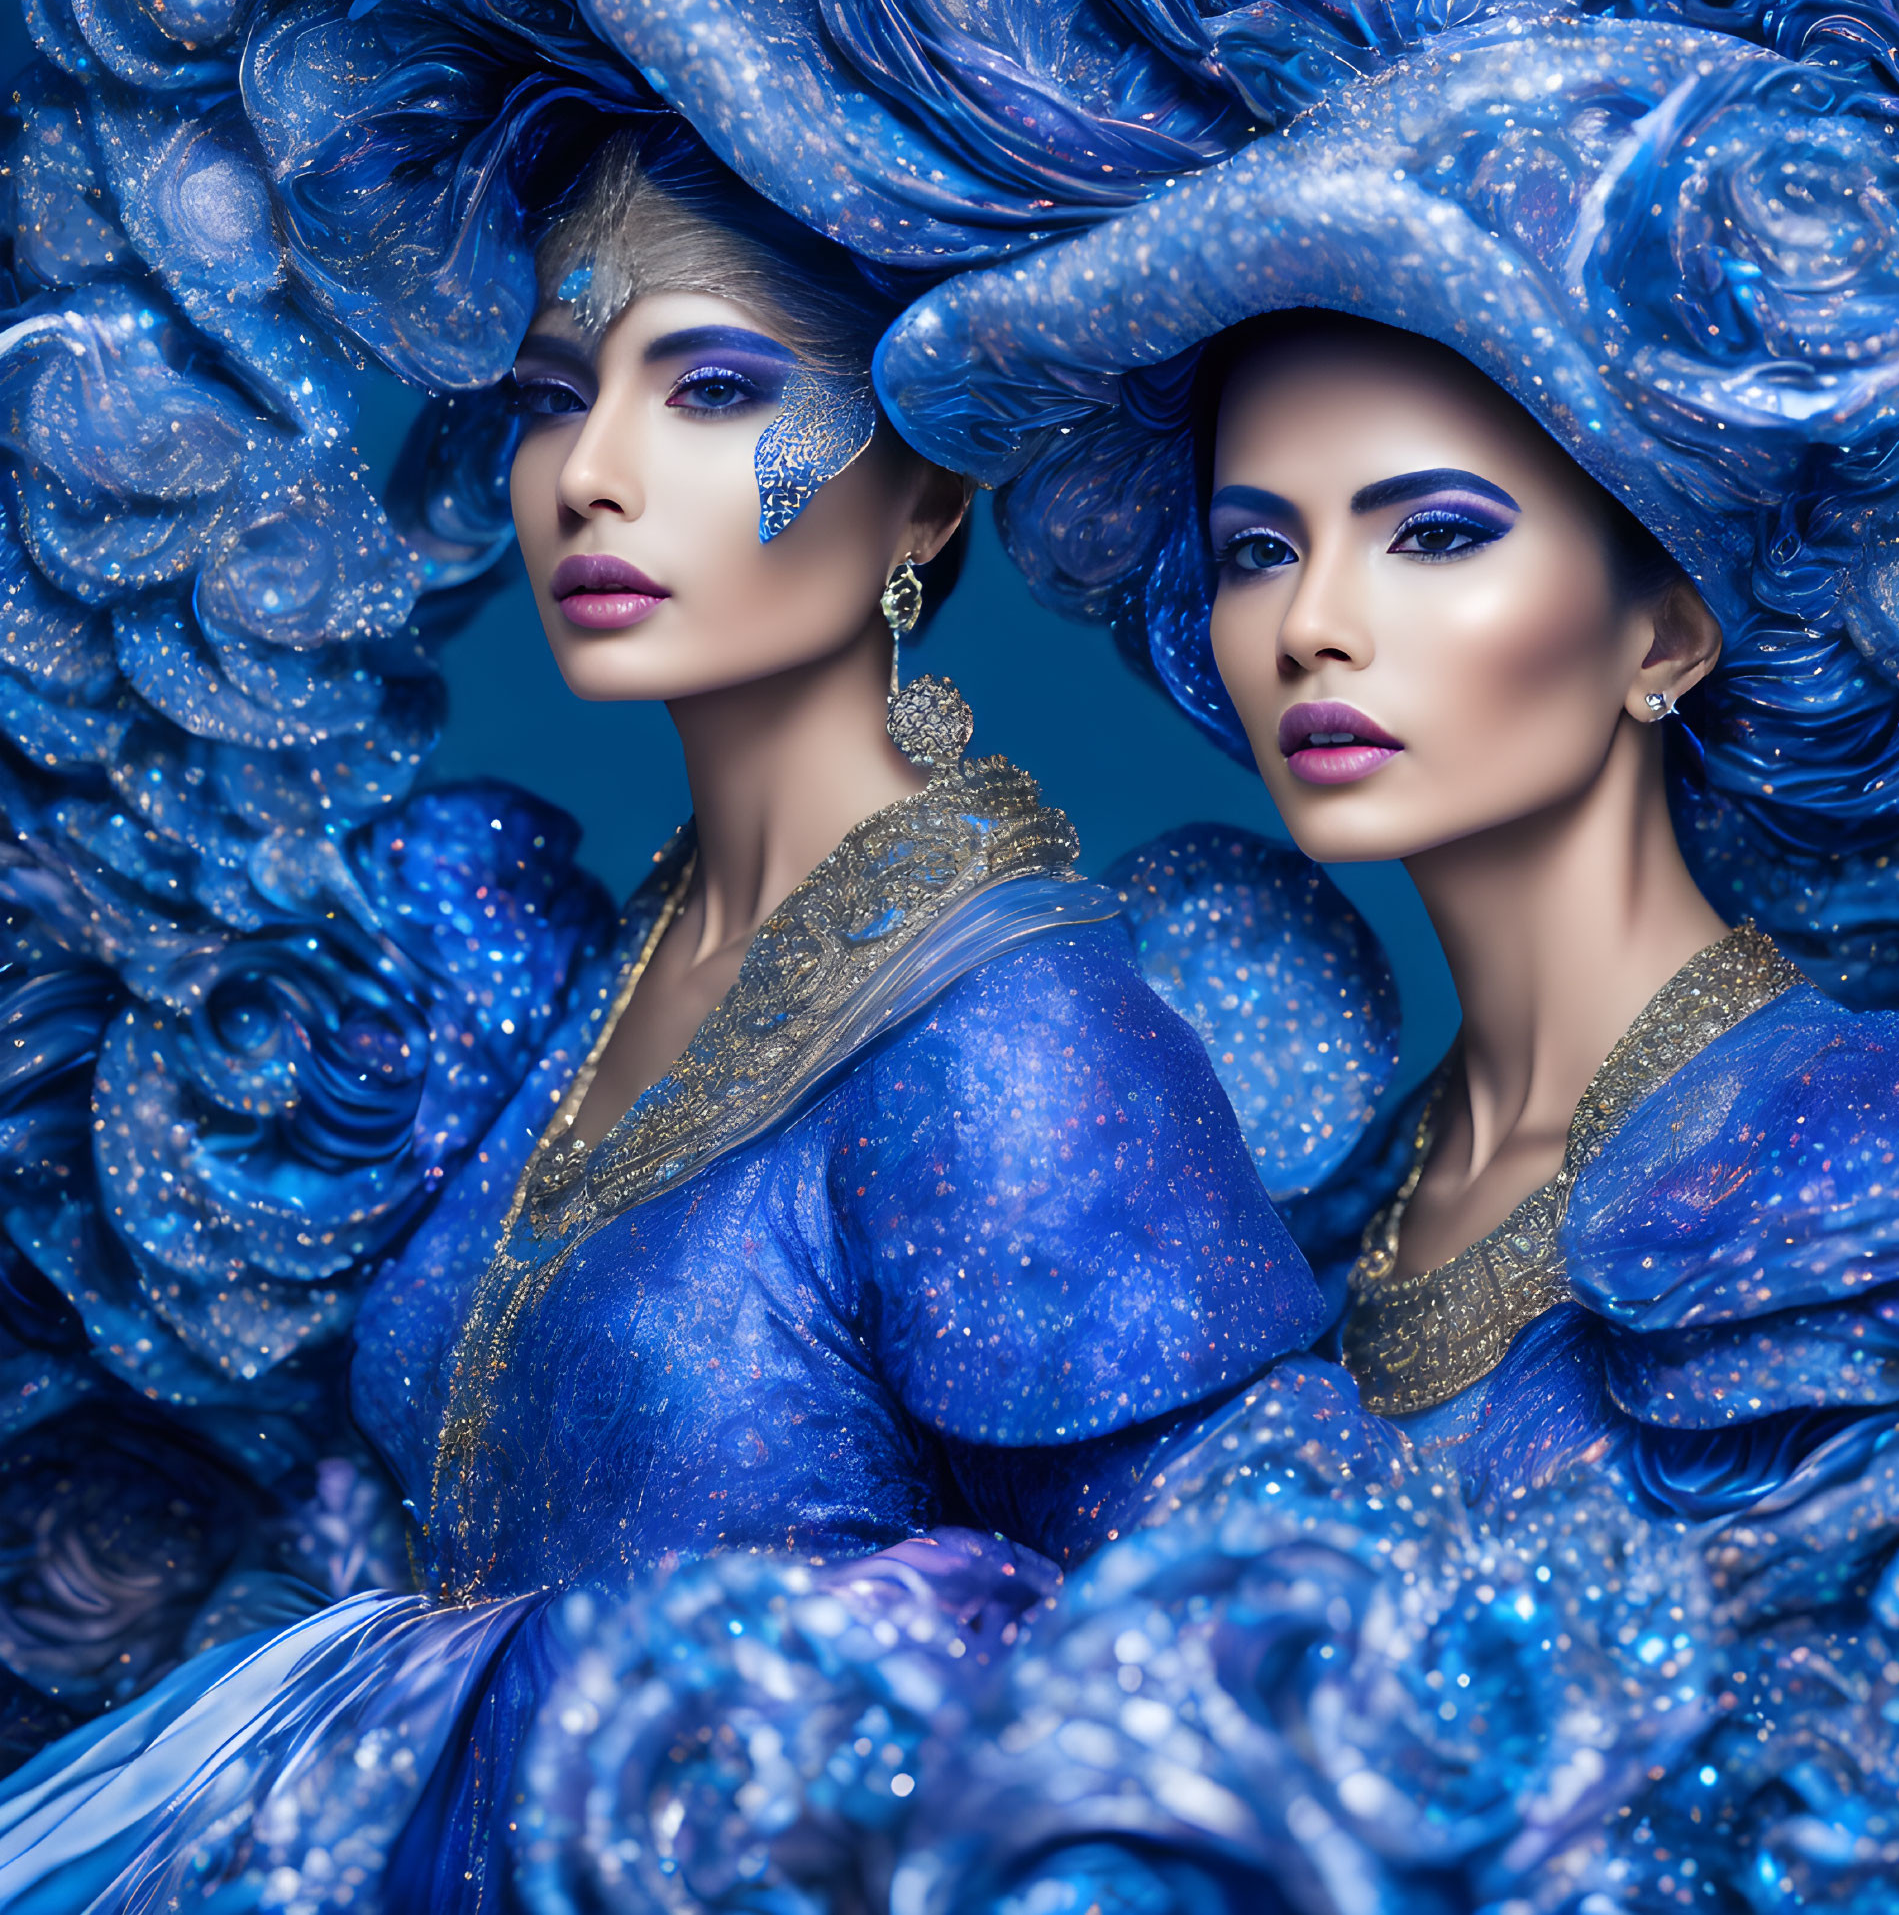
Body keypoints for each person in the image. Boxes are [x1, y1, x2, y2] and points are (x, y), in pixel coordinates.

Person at [875, 15, 1899, 1911]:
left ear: (1664, 623)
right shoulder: (1326, 1224)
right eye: (1260, 546)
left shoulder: (1879, 1162)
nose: (1315, 624)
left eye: (1430, 532)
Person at [0, 121, 1353, 1915]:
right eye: (559, 396)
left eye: (711, 390)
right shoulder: (601, 974)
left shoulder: (1012, 1038)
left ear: (929, 493)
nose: (591, 475)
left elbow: (1245, 1698)